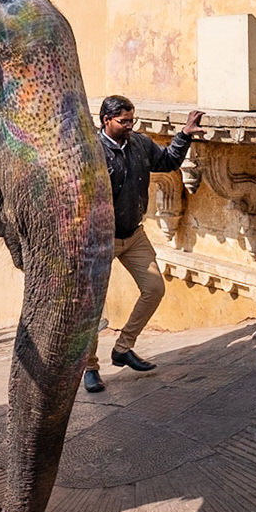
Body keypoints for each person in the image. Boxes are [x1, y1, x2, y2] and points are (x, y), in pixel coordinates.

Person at [83, 97, 203, 394]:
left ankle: (123, 348)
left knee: (154, 288)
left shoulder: (139, 144)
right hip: (100, 239)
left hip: (134, 234)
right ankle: (89, 368)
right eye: (123, 121)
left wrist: (184, 135)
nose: (129, 126)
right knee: (92, 306)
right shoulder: (91, 152)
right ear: (106, 120)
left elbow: (168, 161)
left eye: (131, 120)